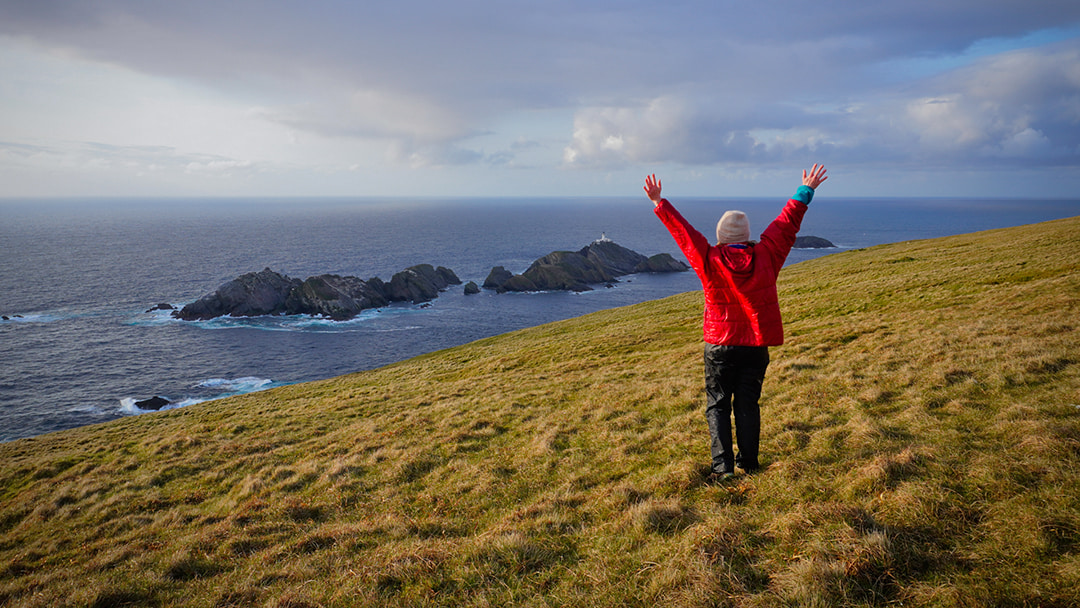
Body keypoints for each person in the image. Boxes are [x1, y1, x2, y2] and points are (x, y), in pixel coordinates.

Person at [644, 165, 828, 483]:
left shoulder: (709, 258)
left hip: (719, 344)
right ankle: (749, 463)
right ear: (747, 236)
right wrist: (804, 191)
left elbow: (685, 236)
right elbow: (786, 225)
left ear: (719, 237)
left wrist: (660, 203)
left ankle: (723, 469)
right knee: (747, 403)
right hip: (755, 345)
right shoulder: (768, 254)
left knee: (717, 404)